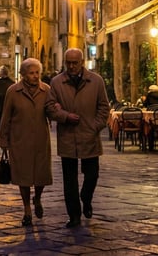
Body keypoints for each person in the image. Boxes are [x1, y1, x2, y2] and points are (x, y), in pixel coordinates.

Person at [46, 48, 111, 228]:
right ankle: (74, 215)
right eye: (69, 63)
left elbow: (104, 107)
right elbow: (50, 107)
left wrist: (95, 126)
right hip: (68, 136)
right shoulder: (57, 82)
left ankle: (86, 197)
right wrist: (65, 116)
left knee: (92, 175)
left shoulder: (96, 81)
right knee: (69, 179)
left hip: (89, 135)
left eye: (75, 63)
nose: (72, 66)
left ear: (82, 62)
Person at [0, 58, 53, 227]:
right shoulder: (13, 91)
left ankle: (37, 198)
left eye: (38, 72)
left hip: (41, 139)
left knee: (41, 175)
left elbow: (52, 111)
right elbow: (6, 117)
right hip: (19, 140)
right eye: (32, 73)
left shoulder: (47, 90)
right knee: (23, 176)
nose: (36, 76)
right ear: (23, 74)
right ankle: (27, 208)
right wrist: (3, 140)